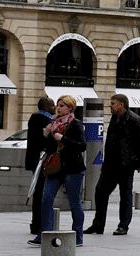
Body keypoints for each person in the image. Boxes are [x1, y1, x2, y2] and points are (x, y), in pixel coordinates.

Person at [87, 94, 140, 236]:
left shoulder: (135, 120)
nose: (110, 105)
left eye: (113, 103)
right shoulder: (115, 118)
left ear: (121, 105)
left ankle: (123, 225)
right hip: (110, 164)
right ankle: (98, 225)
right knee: (100, 191)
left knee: (125, 195)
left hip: (126, 164)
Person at [30, 95, 87, 247]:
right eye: (58, 105)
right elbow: (48, 148)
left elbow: (82, 146)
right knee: (46, 199)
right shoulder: (52, 124)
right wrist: (46, 135)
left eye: (62, 105)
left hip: (72, 168)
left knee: (74, 202)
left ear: (70, 108)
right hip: (54, 168)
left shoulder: (76, 124)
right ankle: (44, 234)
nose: (58, 108)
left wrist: (62, 138)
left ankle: (78, 236)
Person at [25, 97, 55, 235]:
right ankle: (38, 224)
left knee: (39, 192)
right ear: (46, 107)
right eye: (53, 105)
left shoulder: (36, 118)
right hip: (41, 160)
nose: (55, 108)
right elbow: (47, 141)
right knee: (40, 192)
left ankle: (36, 223)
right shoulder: (43, 119)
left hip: (36, 159)